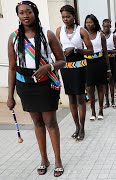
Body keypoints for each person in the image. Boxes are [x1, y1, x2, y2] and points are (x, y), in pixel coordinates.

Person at [7, 1, 65, 177]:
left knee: (50, 122)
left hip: (46, 84)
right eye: (21, 13)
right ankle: (44, 159)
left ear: (35, 13)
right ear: (18, 16)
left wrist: (49, 67)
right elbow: (12, 67)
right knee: (37, 123)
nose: (25, 15)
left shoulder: (48, 35)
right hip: (25, 86)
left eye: (29, 12)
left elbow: (62, 60)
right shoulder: (14, 37)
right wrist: (10, 95)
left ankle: (58, 160)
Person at [56, 5, 93, 141]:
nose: (65, 19)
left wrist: (76, 50)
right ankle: (76, 126)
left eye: (68, 16)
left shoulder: (81, 31)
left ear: (74, 16)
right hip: (65, 68)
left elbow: (90, 51)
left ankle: (82, 128)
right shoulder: (59, 30)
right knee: (71, 98)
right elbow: (56, 48)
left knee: (80, 98)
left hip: (79, 67)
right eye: (63, 17)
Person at [84, 14, 111, 120]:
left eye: (91, 22)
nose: (89, 24)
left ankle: (100, 110)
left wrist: (108, 68)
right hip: (88, 63)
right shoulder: (83, 35)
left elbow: (105, 52)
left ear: (95, 23)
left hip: (100, 62)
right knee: (90, 88)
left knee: (100, 87)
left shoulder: (101, 35)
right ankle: (93, 111)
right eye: (87, 22)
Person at [102, 19, 116, 108]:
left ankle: (112, 101)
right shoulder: (100, 36)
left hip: (111, 59)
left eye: (108, 26)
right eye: (104, 26)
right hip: (102, 61)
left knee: (111, 81)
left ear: (110, 26)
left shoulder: (113, 36)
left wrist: (107, 51)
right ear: (102, 26)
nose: (106, 28)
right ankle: (106, 102)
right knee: (104, 82)